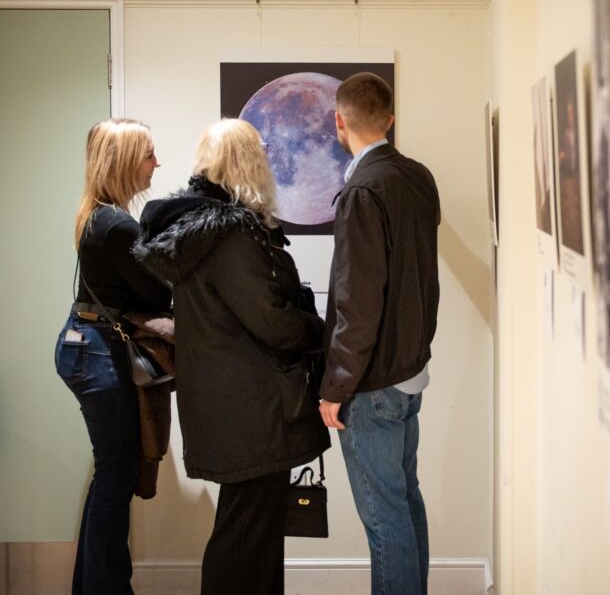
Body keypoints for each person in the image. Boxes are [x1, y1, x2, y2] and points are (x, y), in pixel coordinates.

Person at [133, 119, 328, 595]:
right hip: (252, 408)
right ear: (248, 163)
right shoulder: (231, 234)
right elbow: (272, 320)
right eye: (261, 153)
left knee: (252, 532)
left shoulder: (202, 230)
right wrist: (321, 331)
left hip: (230, 403)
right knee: (245, 536)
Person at [318, 72, 441, 595]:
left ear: (338, 121)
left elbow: (358, 302)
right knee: (404, 500)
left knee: (385, 516)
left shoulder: (363, 191)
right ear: (390, 119)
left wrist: (334, 387)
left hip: (372, 384)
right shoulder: (418, 177)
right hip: (411, 371)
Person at [54, 118, 171, 595]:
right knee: (117, 475)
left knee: (112, 473)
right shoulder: (116, 224)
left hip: (88, 345)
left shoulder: (99, 216)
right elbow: (158, 293)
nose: (156, 163)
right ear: (125, 162)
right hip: (98, 351)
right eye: (149, 155)